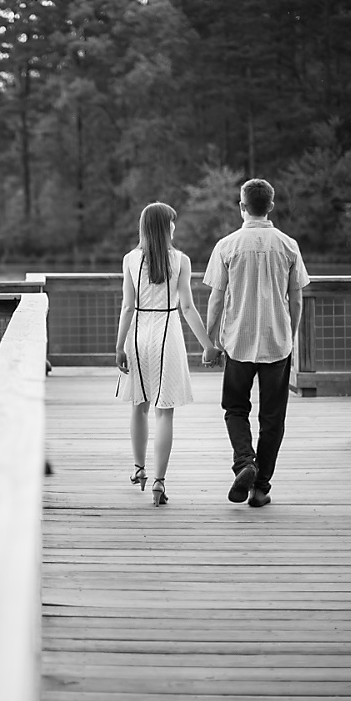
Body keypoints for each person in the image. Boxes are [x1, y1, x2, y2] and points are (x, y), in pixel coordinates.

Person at [203, 178, 310, 508]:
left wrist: (210, 342)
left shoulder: (227, 245)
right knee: (273, 418)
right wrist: (289, 335)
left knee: (235, 409)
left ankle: (245, 463)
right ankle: (260, 486)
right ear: (271, 206)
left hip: (238, 341)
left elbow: (217, 300)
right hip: (277, 344)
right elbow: (297, 299)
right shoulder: (288, 245)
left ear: (242, 206)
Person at [116, 202, 220, 507]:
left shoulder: (130, 260)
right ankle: (160, 482)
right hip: (167, 333)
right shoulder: (181, 261)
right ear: (165, 227)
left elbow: (126, 306)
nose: (175, 226)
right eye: (172, 222)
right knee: (164, 412)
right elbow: (187, 307)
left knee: (139, 406)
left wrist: (119, 346)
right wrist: (207, 345)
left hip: (138, 333)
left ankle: (139, 470)